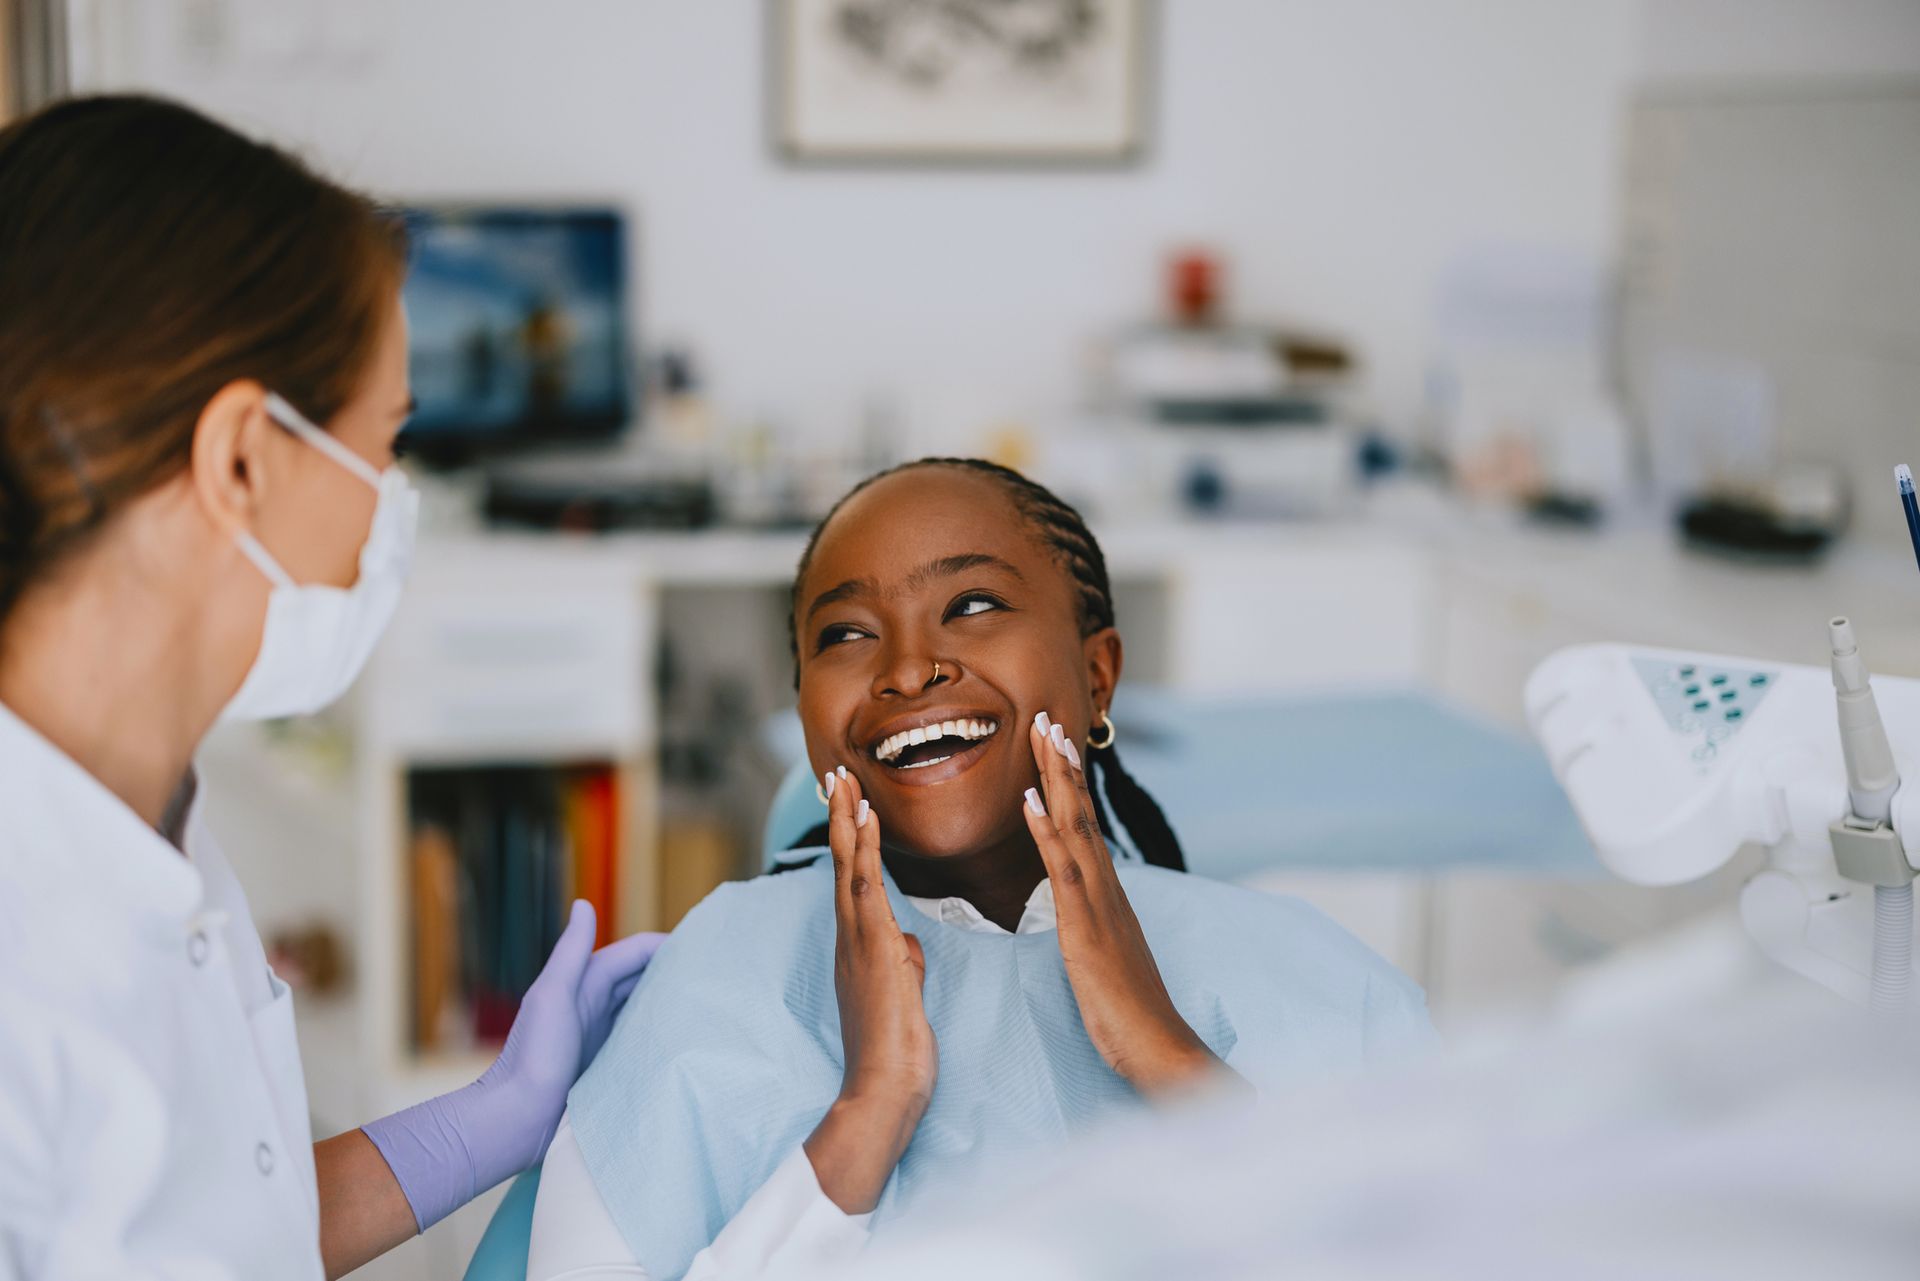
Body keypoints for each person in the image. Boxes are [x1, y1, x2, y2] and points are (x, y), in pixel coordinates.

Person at [0, 96, 663, 1279]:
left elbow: (197, 1225)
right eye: (387, 446)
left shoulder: (146, 820)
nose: (387, 508)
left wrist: (487, 1121)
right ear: (243, 459)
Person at [528, 459, 1438, 1279]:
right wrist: (861, 1122)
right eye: (845, 632)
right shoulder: (719, 970)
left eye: (971, 606)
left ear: (1099, 676)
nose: (909, 667)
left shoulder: (1321, 982)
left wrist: (1171, 1061)